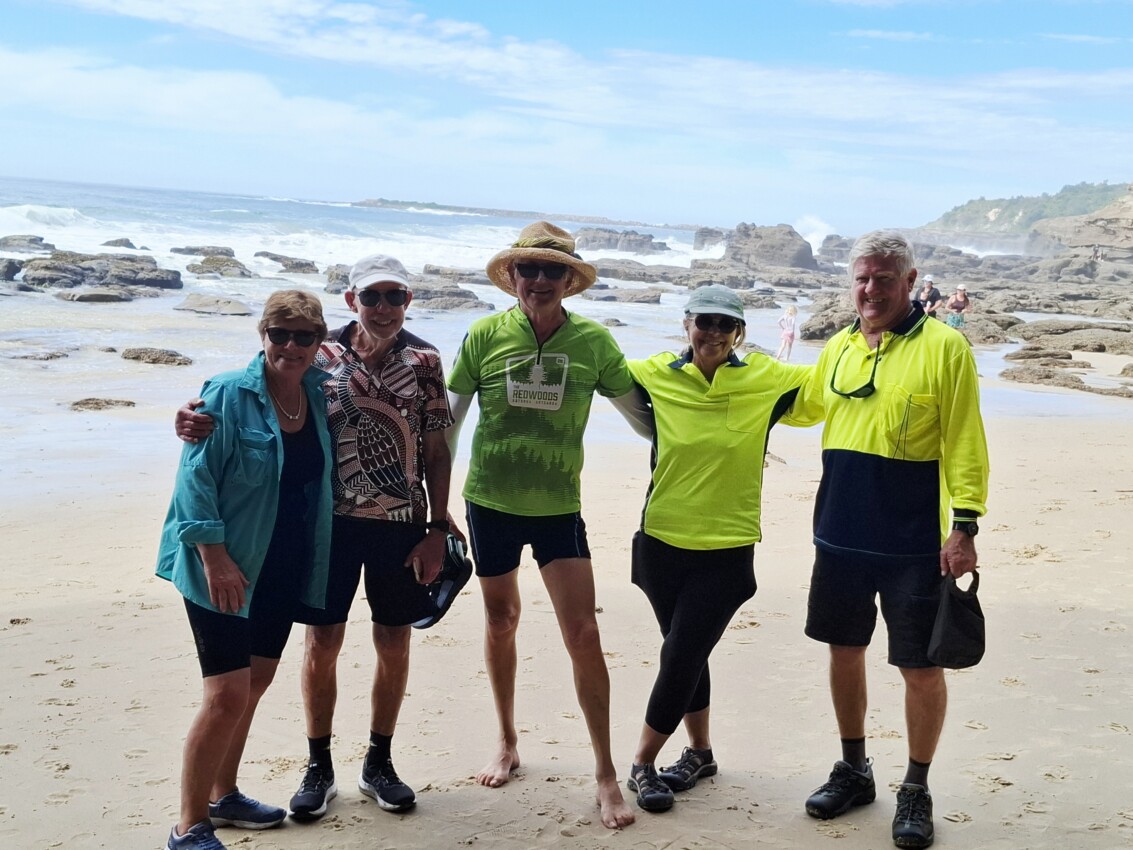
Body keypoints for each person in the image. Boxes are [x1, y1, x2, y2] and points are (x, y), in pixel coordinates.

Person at [176, 255, 455, 822]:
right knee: (321, 642)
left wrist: (437, 527)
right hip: (328, 526)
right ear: (352, 300)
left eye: (394, 296)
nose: (383, 307)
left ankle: (379, 763)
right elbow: (253, 393)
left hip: (402, 524)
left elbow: (436, 449)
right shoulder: (318, 352)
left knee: (393, 641)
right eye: (371, 296)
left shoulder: (425, 360)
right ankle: (318, 765)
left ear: (408, 301)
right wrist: (190, 416)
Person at [790, 231, 989, 849]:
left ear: (909, 282)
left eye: (882, 278)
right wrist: (721, 382)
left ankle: (916, 787)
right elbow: (804, 406)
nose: (870, 289)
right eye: (861, 278)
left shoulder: (946, 347)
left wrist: (965, 524)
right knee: (843, 651)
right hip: (839, 532)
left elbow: (964, 438)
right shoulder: (840, 346)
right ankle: (854, 769)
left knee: (920, 667)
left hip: (914, 542)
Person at [445, 221, 640, 829]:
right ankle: (506, 741)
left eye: (552, 270)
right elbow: (449, 423)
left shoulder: (594, 342)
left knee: (583, 634)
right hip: (490, 503)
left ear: (568, 280)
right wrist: (433, 506)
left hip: (558, 507)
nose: (539, 279)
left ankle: (606, 773)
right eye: (527, 268)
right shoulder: (485, 335)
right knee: (500, 620)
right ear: (512, 276)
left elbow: (644, 417)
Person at [622, 285, 811, 813]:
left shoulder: (767, 378)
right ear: (686, 324)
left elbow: (836, 379)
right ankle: (701, 753)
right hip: (660, 542)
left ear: (739, 333)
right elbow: (597, 371)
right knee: (687, 650)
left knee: (682, 652)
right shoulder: (654, 373)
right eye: (704, 321)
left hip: (727, 548)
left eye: (726, 324)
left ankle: (641, 763)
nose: (713, 332)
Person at [158, 290, 334, 850]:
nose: (290, 345)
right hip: (223, 564)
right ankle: (189, 826)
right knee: (226, 695)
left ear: (319, 342)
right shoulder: (227, 392)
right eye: (279, 333)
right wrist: (214, 557)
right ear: (263, 335)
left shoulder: (320, 393)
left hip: (282, 562)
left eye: (303, 336)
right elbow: (195, 480)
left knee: (254, 683)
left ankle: (223, 794)